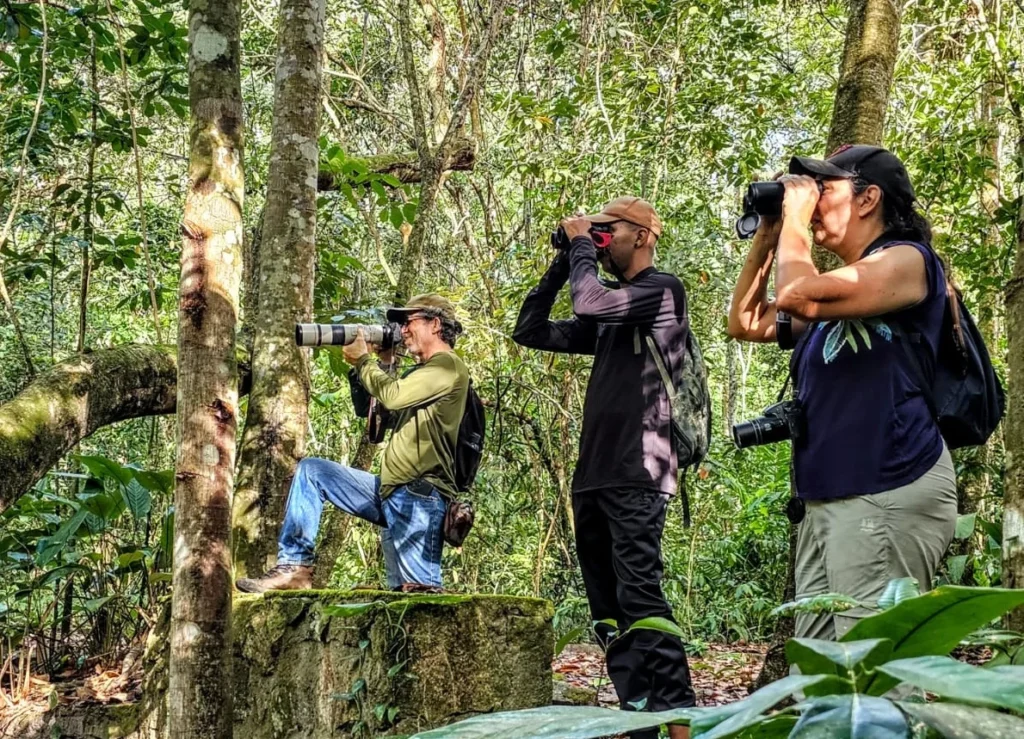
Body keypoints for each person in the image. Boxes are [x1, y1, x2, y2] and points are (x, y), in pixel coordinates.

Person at [727, 145, 957, 641]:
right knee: (822, 673)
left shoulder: (905, 261)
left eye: (822, 189)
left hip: (886, 486)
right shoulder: (830, 291)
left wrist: (793, 222)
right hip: (829, 496)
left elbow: (796, 296)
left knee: (873, 670)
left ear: (868, 198)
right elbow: (746, 322)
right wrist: (769, 236)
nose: (808, 203)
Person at [513, 197, 695, 739]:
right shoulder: (613, 315)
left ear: (641, 235)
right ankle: (638, 722)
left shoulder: (662, 292)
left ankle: (681, 722)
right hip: (594, 476)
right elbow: (530, 329)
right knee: (609, 612)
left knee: (643, 601)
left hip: (639, 472)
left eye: (605, 230)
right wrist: (563, 259)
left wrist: (577, 249)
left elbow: (590, 302)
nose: (598, 238)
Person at [236, 294, 469, 594]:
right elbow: (375, 420)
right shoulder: (421, 374)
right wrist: (383, 363)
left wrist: (363, 360)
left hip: (418, 496)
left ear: (434, 324)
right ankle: (295, 568)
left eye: (408, 321)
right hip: (391, 489)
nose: (403, 330)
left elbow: (394, 396)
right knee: (312, 472)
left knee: (418, 599)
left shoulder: (447, 366)